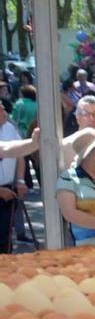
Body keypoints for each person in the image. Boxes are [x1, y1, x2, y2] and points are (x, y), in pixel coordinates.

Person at [0, 100, 28, 253]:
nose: (5, 113)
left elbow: (20, 155)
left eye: (4, 109)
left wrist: (20, 180)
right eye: (0, 110)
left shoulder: (9, 128)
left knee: (5, 237)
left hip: (9, 190)